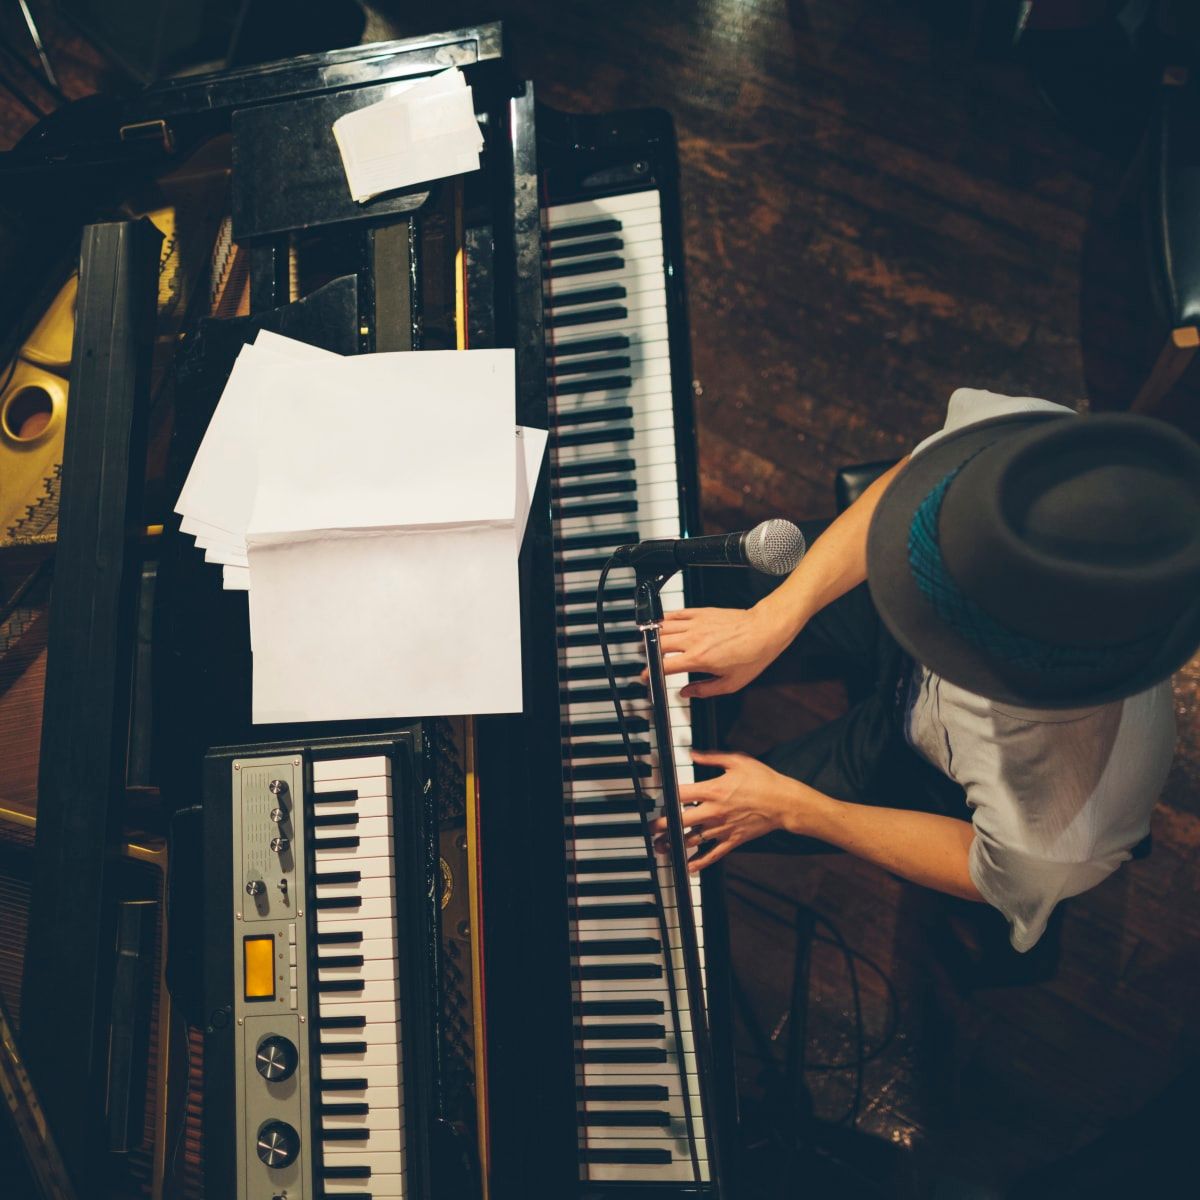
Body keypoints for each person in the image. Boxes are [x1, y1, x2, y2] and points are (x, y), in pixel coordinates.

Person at [652, 389, 1200, 950]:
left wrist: (796, 810)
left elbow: (982, 872)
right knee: (701, 595)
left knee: (689, 806)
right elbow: (917, 480)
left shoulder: (1062, 825)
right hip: (912, 624)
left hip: (923, 765)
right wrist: (774, 617)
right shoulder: (1041, 464)